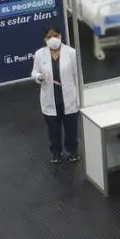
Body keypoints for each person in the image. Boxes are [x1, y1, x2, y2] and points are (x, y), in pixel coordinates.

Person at [31, 26, 81, 162]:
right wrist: (38, 77)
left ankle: (72, 151)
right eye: (49, 36)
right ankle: (56, 153)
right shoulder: (40, 54)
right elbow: (34, 71)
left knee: (71, 128)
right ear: (45, 39)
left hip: (69, 98)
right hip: (50, 99)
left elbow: (78, 76)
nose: (53, 39)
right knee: (53, 129)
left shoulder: (71, 53)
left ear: (61, 36)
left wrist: (80, 97)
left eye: (56, 35)